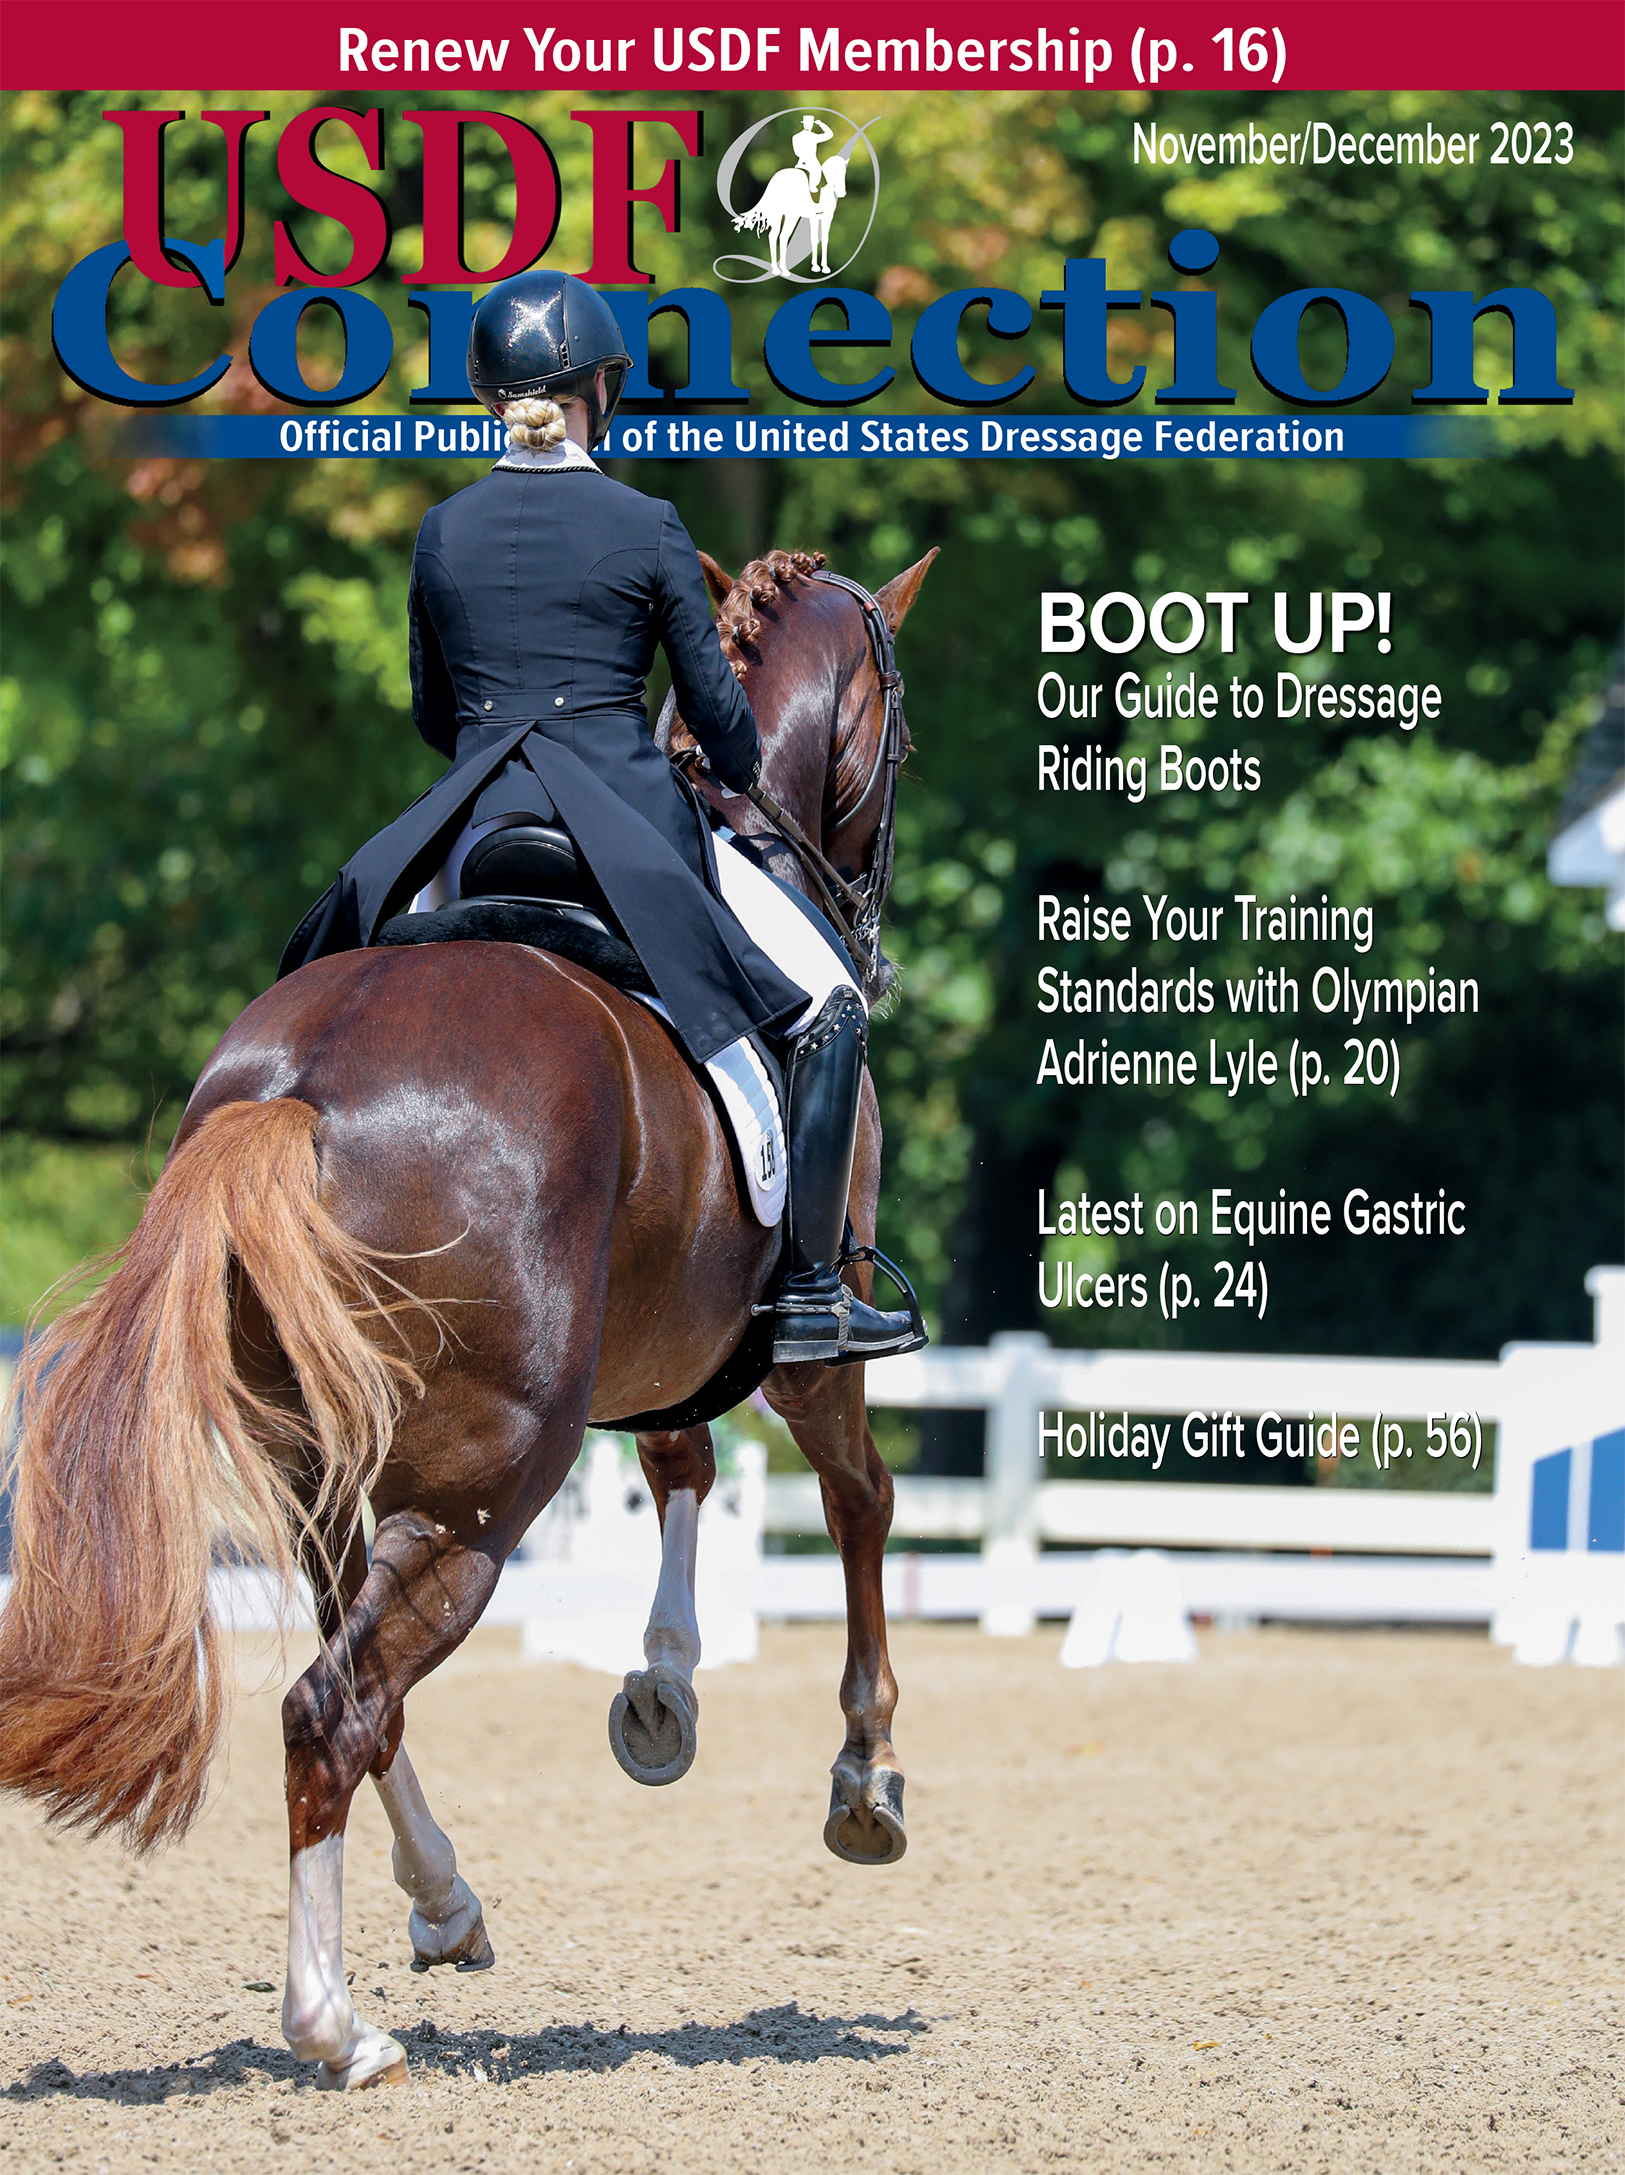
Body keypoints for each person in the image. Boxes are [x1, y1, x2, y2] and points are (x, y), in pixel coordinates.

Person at [281, 269, 918, 1366]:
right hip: (624, 830)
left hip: (471, 833)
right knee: (827, 1007)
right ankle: (812, 1291)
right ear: (602, 392)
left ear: (491, 397)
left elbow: (437, 716)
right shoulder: (647, 523)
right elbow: (726, 740)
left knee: (318, 981)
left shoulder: (443, 530)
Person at [791, 113, 834, 188]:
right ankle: (812, 186)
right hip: (810, 158)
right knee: (817, 171)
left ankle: (812, 186)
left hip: (804, 158)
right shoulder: (812, 136)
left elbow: (796, 151)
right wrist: (821, 124)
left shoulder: (797, 136)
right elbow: (829, 134)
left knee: (817, 171)